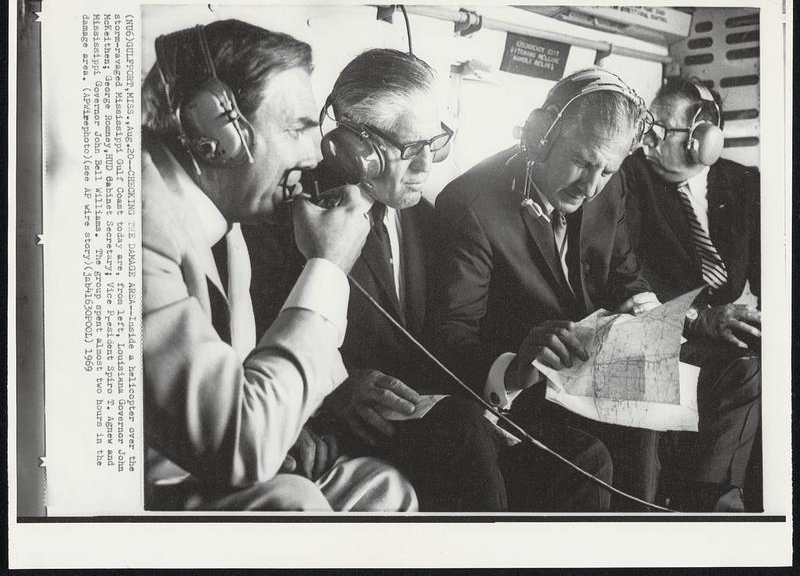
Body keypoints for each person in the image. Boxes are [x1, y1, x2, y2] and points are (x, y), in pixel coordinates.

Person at [245, 49, 612, 512]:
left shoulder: (425, 219)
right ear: (357, 149)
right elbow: (258, 351)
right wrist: (331, 395)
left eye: (434, 144)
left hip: (435, 417)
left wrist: (514, 368)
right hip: (351, 427)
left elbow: (447, 342)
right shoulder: (289, 220)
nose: (427, 167)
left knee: (583, 457)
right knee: (460, 430)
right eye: (411, 150)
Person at [140, 20, 416, 511]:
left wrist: (296, 426)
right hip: (144, 499)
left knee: (382, 489)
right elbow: (238, 441)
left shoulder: (228, 225)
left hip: (213, 463)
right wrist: (327, 267)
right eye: (297, 130)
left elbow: (232, 382)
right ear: (214, 128)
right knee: (293, 502)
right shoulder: (136, 227)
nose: (314, 158)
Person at [433, 67, 662, 510]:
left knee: (645, 419)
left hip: (596, 378)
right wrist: (517, 364)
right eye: (582, 162)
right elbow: (450, 336)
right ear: (540, 134)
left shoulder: (610, 187)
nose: (591, 186)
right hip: (518, 394)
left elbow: (622, 272)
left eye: (606, 170)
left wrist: (641, 307)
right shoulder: (471, 204)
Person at [619, 78, 761, 511]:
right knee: (747, 367)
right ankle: (710, 501)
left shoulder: (744, 185)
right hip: (664, 332)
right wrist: (699, 318)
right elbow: (627, 277)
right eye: (647, 129)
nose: (646, 143)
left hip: (722, 330)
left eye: (661, 132)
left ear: (704, 136)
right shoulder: (629, 181)